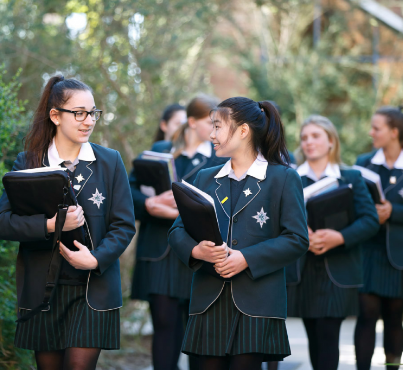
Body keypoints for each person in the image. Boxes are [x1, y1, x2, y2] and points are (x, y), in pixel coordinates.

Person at [0, 75, 136, 370]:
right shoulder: (28, 162)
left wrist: (95, 259)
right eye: (79, 113)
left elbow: (124, 225)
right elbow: (2, 224)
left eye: (93, 113)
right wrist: (51, 225)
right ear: (55, 115)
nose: (88, 121)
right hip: (42, 290)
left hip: (93, 290)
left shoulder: (109, 161)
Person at [168, 97, 308, 370]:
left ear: (243, 131)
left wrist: (246, 258)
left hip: (258, 303)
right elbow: (177, 230)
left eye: (217, 127)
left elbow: (297, 239)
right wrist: (197, 251)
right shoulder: (204, 178)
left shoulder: (283, 178)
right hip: (209, 301)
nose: (211, 135)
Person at [131, 95, 224, 370]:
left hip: (198, 254)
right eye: (212, 123)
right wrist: (149, 204)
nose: (217, 130)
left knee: (198, 332)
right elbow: (128, 191)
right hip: (159, 251)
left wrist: (181, 214)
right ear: (192, 122)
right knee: (164, 326)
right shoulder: (161, 149)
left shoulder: (219, 158)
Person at [286, 115, 379, 370]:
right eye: (304, 138)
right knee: (314, 336)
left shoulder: (351, 177)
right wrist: (300, 235)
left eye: (316, 136)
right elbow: (278, 220)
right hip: (302, 269)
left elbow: (370, 220)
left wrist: (340, 237)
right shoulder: (290, 178)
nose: (308, 142)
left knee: (329, 335)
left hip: (338, 270)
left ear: (331, 141)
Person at [354, 105, 403, 370]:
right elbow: (354, 203)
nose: (371, 133)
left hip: (401, 253)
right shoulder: (363, 163)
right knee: (366, 314)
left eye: (376, 128)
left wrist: (393, 211)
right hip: (368, 249)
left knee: (394, 318)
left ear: (394, 132)